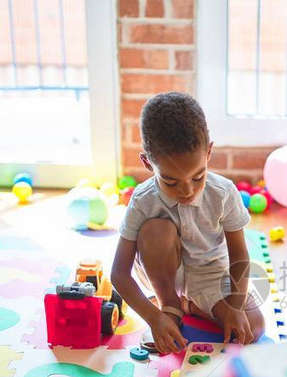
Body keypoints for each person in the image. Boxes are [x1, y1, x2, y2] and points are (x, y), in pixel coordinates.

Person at [110, 92, 264, 354]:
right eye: (170, 181)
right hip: (161, 272)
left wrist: (235, 307)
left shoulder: (224, 192)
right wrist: (153, 317)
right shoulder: (142, 200)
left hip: (210, 272)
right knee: (157, 229)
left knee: (254, 325)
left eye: (198, 176)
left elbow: (239, 255)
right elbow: (119, 273)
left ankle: (189, 306)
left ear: (209, 152)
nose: (187, 190)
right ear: (148, 163)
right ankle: (170, 305)